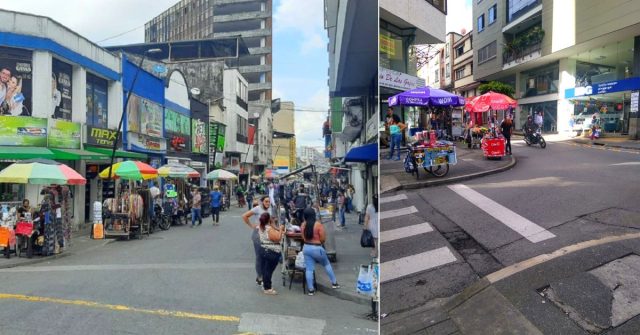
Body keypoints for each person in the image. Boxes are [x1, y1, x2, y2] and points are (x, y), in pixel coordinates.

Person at [301, 208, 340, 296]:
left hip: (306, 248)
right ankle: (334, 283)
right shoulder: (318, 225)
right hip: (317, 248)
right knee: (326, 264)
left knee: (309, 269)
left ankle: (311, 290)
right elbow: (323, 238)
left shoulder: (303, 225)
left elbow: (303, 237)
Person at [242, 196, 273, 286]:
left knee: (267, 256)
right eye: (266, 201)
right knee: (259, 257)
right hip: (257, 235)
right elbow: (244, 216)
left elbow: (271, 221)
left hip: (267, 235)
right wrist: (252, 226)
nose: (268, 203)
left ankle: (264, 275)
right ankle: (259, 276)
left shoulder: (270, 209)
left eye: (269, 202)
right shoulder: (257, 208)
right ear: (262, 202)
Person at [257, 212, 284, 295]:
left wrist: (273, 224)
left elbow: (274, 230)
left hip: (264, 250)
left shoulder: (261, 226)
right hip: (271, 252)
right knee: (268, 270)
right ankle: (267, 288)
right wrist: (281, 229)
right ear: (268, 220)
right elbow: (277, 238)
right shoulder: (269, 229)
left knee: (265, 269)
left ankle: (265, 284)